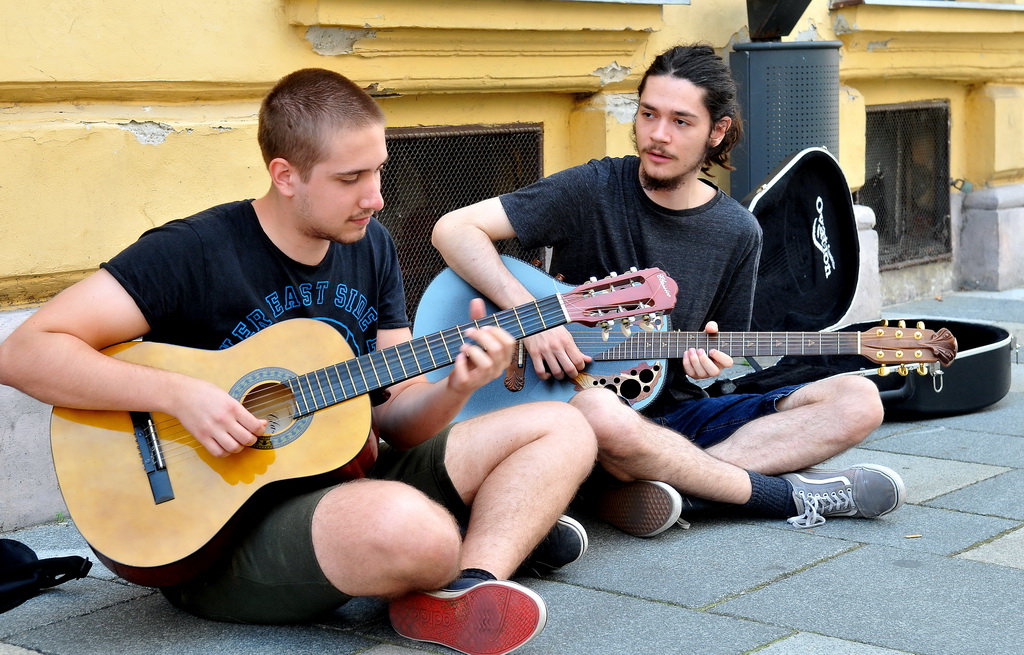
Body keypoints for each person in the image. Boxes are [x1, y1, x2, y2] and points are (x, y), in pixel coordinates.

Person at [0, 68, 599, 655]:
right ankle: (476, 539)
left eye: (379, 170)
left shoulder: (373, 245)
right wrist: (179, 395)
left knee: (567, 425)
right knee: (412, 530)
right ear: (285, 175)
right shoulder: (193, 251)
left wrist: (458, 387)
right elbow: (25, 353)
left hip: (348, 478)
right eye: (351, 178)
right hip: (219, 536)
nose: (376, 197)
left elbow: (398, 421)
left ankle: (469, 585)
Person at [431, 43, 905, 537]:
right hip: (573, 413)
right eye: (648, 114)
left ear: (716, 131)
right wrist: (533, 318)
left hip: (671, 417)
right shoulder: (594, 188)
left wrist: (708, 357)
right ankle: (763, 492)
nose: (657, 135)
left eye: (681, 121)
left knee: (859, 399)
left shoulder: (738, 232)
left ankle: (665, 488)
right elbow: (454, 230)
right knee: (603, 414)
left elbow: (717, 348)